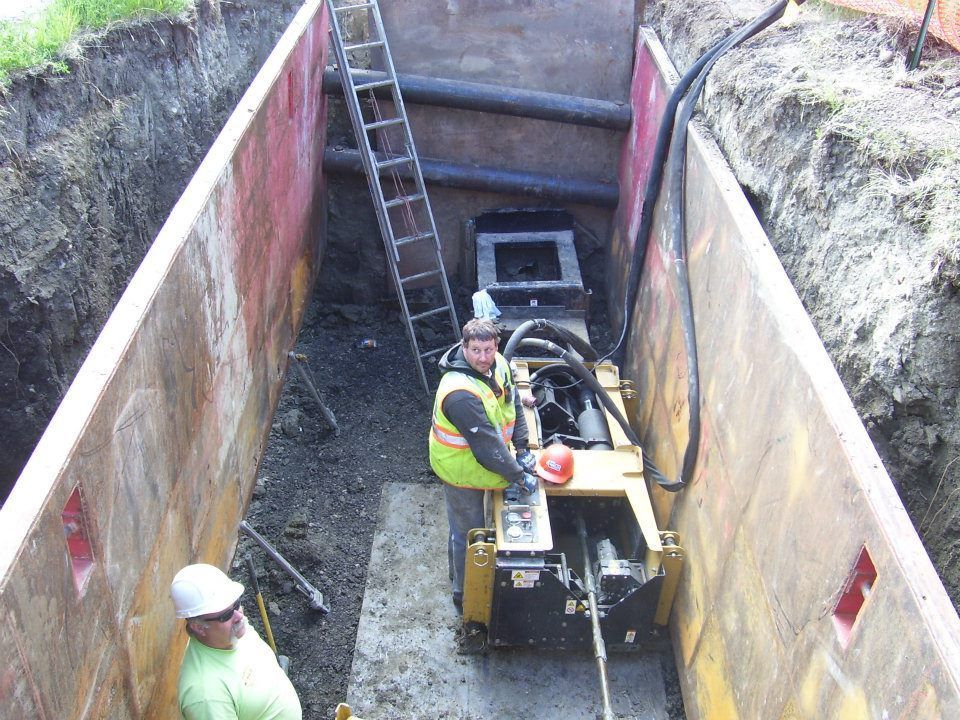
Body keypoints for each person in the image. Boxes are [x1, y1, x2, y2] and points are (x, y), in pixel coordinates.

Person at [429, 318, 539, 612]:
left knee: (476, 526)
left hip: (488, 463)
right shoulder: (459, 394)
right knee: (468, 535)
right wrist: (519, 475)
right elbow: (487, 448)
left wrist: (524, 447)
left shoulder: (498, 363)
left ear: (496, 346)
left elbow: (512, 402)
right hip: (461, 473)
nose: (482, 357)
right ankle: (464, 596)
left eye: (487, 349)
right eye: (475, 350)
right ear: (463, 347)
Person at [171, 563, 302, 720]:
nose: (239, 616)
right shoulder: (205, 695)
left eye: (237, 604)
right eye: (225, 615)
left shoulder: (232, 631)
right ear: (198, 627)